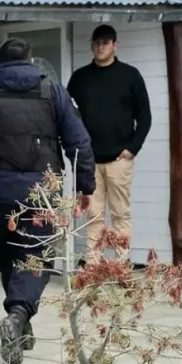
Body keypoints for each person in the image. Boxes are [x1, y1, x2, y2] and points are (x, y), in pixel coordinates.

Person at [0, 38, 95, 364]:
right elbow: (78, 140)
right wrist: (85, 185)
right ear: (30, 59)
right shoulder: (52, 91)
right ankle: (17, 315)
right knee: (36, 257)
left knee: (10, 256)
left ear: (0, 62)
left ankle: (20, 322)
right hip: (42, 188)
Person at [66, 24, 152, 249]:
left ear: (115, 45)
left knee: (120, 214)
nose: (100, 47)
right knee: (93, 215)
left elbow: (145, 116)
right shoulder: (80, 78)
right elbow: (68, 116)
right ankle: (94, 270)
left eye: (105, 43)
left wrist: (132, 148)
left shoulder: (130, 75)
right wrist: (75, 149)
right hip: (89, 160)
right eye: (96, 43)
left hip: (118, 159)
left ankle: (121, 269)